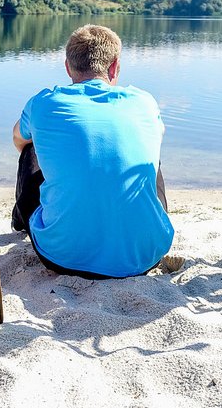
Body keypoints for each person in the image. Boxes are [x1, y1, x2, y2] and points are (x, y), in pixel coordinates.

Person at [12, 24, 174, 279]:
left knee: (31, 148)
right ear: (114, 67)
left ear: (68, 67)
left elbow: (18, 139)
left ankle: (21, 221)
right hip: (145, 256)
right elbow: (159, 133)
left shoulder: (43, 102)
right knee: (150, 156)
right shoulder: (144, 101)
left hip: (63, 257)